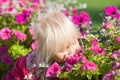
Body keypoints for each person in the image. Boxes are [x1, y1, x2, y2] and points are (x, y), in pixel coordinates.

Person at [12, 3, 80, 80]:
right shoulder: (32, 66)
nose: (71, 51)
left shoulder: (82, 52)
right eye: (62, 50)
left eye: (74, 43)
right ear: (47, 51)